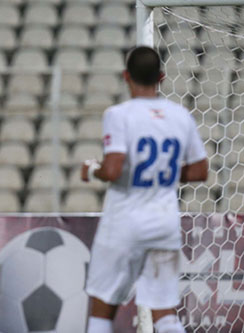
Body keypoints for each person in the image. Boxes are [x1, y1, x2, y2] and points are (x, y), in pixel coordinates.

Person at [81, 46, 208, 333]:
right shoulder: (180, 115)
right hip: (164, 223)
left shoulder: (119, 114)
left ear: (126, 76)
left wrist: (90, 169)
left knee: (102, 309)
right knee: (165, 313)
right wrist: (161, 172)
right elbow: (200, 170)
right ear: (161, 77)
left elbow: (113, 169)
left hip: (125, 222)